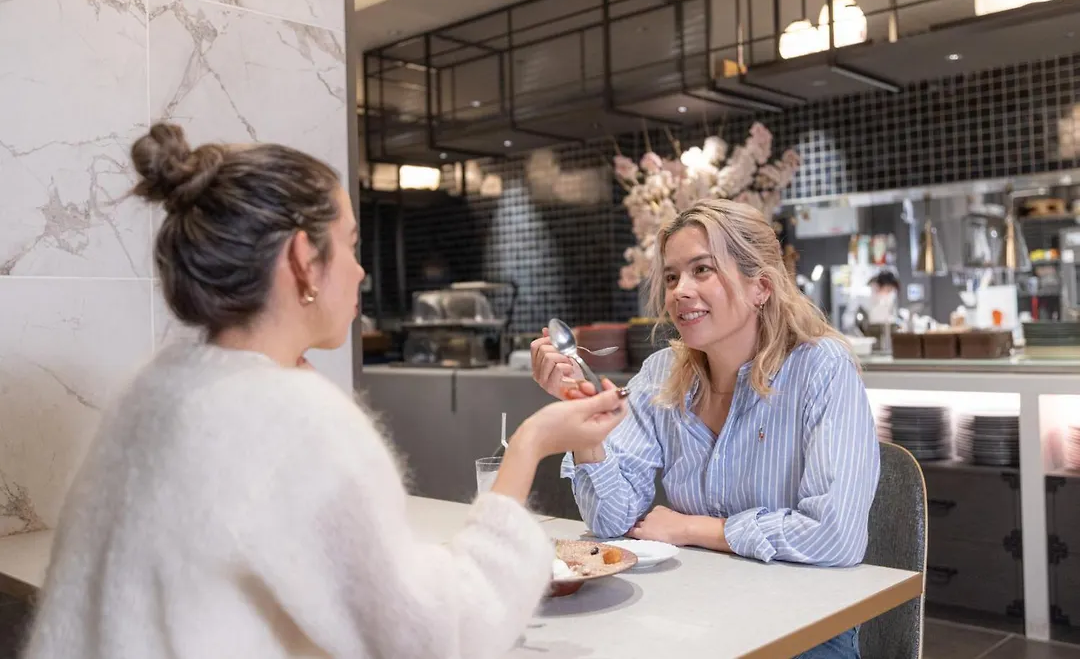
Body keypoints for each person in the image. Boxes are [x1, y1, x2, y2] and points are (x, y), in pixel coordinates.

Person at [23, 123, 629, 659]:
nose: (361, 270)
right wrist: (530, 444)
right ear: (302, 260)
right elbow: (438, 636)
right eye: (351, 244)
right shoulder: (292, 417)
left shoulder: (156, 385)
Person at [531, 198, 879, 659]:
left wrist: (695, 529)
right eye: (672, 277)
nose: (680, 291)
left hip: (805, 627)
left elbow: (836, 537)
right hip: (696, 611)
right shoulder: (661, 373)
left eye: (702, 270)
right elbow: (611, 523)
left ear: (761, 286)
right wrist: (587, 430)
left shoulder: (821, 368)